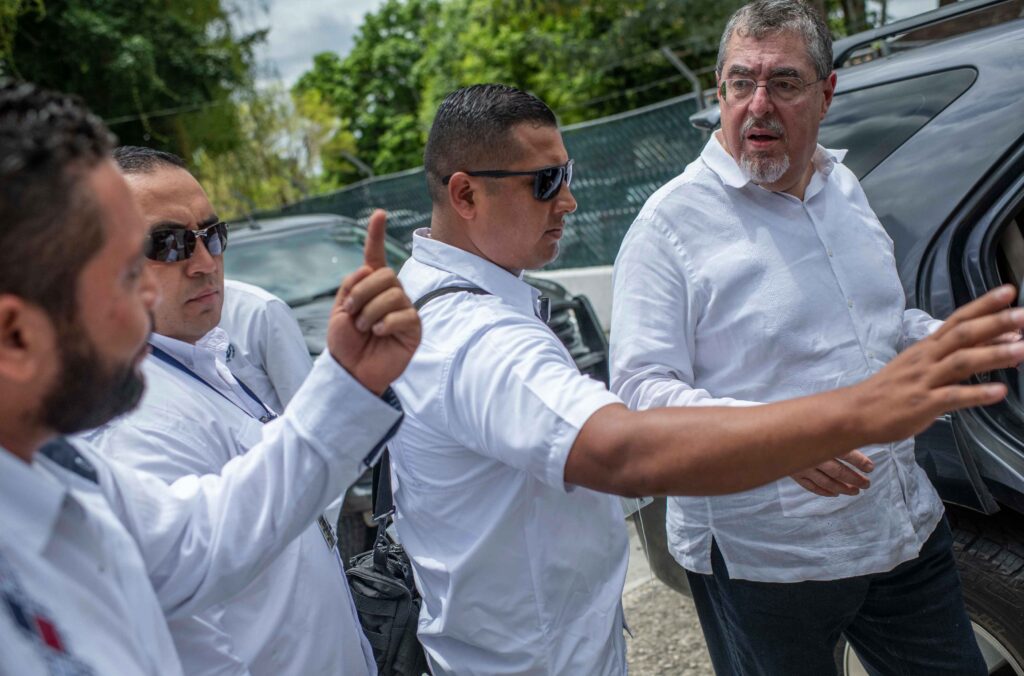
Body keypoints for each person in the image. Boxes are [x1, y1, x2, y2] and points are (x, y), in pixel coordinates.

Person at [384, 82, 1024, 675]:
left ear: (824, 92)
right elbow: (624, 446)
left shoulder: (465, 301)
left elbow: (878, 318)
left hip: (549, 644)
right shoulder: (475, 336)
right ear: (466, 194)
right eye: (546, 181)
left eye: (568, 174)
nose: (569, 200)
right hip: (554, 650)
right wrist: (856, 412)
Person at [610, 2, 995, 674]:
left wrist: (941, 344)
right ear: (719, 90)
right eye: (739, 83)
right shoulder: (669, 225)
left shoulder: (841, 186)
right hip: (770, 564)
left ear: (825, 92)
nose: (758, 105)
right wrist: (779, 436)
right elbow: (641, 395)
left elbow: (880, 322)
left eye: (783, 84)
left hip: (903, 526)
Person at [0, 80, 420, 675]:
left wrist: (348, 382)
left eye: (209, 237)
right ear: (16, 336)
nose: (153, 290)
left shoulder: (59, 466)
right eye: (126, 273)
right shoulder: (113, 438)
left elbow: (199, 538)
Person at [81, 146, 386, 676]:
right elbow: (191, 647)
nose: (204, 263)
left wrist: (350, 382)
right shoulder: (131, 424)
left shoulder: (203, 356)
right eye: (169, 244)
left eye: (211, 235)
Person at [219, 278, 313, 411]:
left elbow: (306, 410)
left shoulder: (261, 312)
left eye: (215, 255)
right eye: (181, 257)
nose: (207, 266)